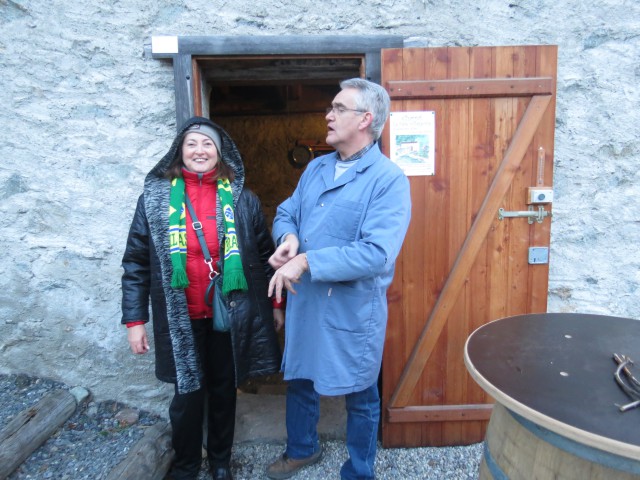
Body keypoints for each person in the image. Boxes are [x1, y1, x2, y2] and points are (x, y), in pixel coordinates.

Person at [121, 116, 283, 480]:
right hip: (180, 318)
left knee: (224, 390)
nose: (199, 150)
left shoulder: (242, 200)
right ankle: (187, 465)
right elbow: (135, 263)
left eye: (207, 144)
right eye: (191, 143)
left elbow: (264, 256)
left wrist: (275, 305)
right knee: (187, 395)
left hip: (228, 315)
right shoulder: (154, 201)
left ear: (220, 153)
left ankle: (221, 462)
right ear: (179, 151)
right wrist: (135, 321)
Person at [266, 78, 412, 480]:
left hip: (352, 307)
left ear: (365, 119)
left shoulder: (388, 179)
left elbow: (377, 253)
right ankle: (301, 449)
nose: (328, 115)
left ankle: (360, 471)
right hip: (307, 299)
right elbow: (287, 212)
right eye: (331, 108)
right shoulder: (316, 168)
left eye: (338, 108)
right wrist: (289, 239)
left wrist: (306, 261)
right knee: (300, 378)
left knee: (361, 392)